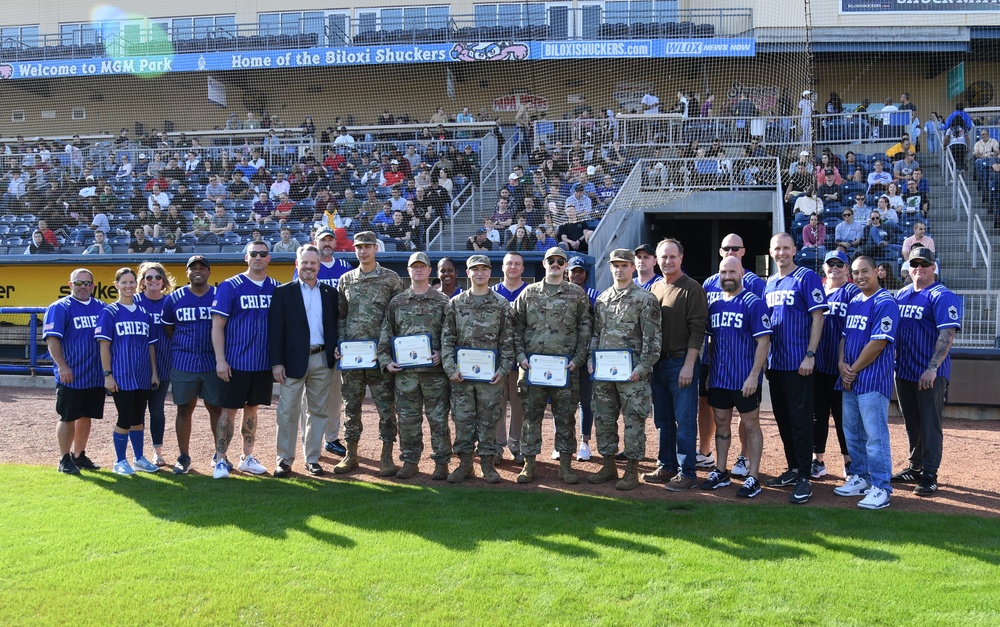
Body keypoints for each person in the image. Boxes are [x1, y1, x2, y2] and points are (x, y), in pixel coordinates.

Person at [512, 246, 592, 484]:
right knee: (531, 417)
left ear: (566, 266)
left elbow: (585, 330)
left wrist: (577, 360)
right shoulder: (528, 293)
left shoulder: (577, 295)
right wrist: (520, 357)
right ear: (544, 264)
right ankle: (529, 464)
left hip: (565, 372)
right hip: (532, 369)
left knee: (565, 417)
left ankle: (565, 466)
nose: (555, 264)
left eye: (560, 261)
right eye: (551, 261)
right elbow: (516, 329)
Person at [587, 249, 662, 490]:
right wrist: (591, 358)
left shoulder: (645, 299)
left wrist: (642, 367)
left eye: (624, 265)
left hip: (632, 375)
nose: (619, 269)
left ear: (633, 268)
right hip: (605, 373)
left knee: (634, 421)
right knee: (604, 419)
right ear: (610, 268)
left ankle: (631, 470)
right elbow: (597, 333)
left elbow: (653, 339)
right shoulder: (603, 299)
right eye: (615, 265)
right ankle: (608, 465)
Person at [763, 233, 828, 504]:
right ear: (771, 251)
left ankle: (804, 476)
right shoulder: (769, 283)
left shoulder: (806, 277)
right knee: (783, 419)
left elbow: (817, 317)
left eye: (786, 248)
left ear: (795, 249)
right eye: (777, 248)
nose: (781, 253)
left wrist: (810, 355)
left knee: (801, 422)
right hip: (775, 364)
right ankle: (792, 468)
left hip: (798, 363)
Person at [377, 252, 452, 480]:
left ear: (430, 270)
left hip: (434, 374)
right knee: (408, 420)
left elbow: (451, 336)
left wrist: (442, 354)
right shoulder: (397, 302)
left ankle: (441, 462)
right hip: (406, 375)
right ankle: (410, 461)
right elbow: (385, 337)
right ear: (408, 271)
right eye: (414, 266)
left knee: (438, 419)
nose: (418, 270)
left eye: (422, 266)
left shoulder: (442, 301)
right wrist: (386, 362)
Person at [892, 247, 961, 497]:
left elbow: (948, 334)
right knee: (912, 422)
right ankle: (915, 466)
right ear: (908, 268)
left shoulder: (941, 295)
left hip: (930, 373)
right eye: (914, 264)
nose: (919, 269)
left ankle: (930, 474)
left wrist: (932, 368)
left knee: (930, 424)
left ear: (933, 268)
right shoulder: (902, 294)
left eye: (924, 264)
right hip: (905, 372)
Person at [832, 256, 899, 509]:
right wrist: (841, 364)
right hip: (850, 380)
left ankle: (881, 487)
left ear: (877, 273)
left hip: (871, 381)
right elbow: (844, 338)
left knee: (875, 436)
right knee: (853, 434)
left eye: (865, 271)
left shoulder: (885, 302)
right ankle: (860, 477)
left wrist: (852, 370)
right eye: (857, 272)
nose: (860, 277)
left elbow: (879, 342)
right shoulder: (854, 301)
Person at [701, 256, 772, 497]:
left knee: (751, 425)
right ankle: (720, 471)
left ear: (741, 272)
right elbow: (711, 341)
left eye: (732, 271)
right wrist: (710, 372)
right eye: (723, 272)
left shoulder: (754, 302)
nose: (727, 276)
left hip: (744, 379)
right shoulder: (715, 304)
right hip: (720, 377)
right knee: (721, 422)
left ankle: (753, 476)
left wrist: (754, 375)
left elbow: (764, 341)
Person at [441, 255, 516, 483]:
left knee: (489, 421)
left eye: (484, 269)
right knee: (463, 420)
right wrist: (450, 369)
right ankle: (465, 465)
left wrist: (502, 371)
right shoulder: (456, 303)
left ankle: (488, 466)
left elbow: (507, 341)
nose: (480, 273)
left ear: (490, 272)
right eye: (475, 269)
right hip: (462, 377)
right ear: (468, 273)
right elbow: (447, 340)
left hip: (490, 378)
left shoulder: (501, 304)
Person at [334, 231, 403, 475]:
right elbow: (341, 316)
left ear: (376, 248)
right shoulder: (346, 280)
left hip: (380, 357)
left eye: (368, 246)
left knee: (386, 407)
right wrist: (340, 344)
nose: (363, 251)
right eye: (359, 247)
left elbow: (396, 319)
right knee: (351, 407)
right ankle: (351, 455)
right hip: (352, 357)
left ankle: (387, 456)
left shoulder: (391, 279)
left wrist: (387, 350)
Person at [210, 241, 280, 479]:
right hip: (236, 362)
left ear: (269, 258)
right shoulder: (231, 286)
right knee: (228, 411)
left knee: (252, 410)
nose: (258, 257)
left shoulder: (276, 288)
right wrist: (220, 359)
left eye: (263, 253)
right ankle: (220, 459)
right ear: (246, 258)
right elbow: (217, 325)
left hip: (261, 363)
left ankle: (246, 457)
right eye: (253, 253)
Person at [269, 245, 339, 478]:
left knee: (318, 411)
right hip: (291, 361)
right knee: (287, 411)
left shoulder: (330, 293)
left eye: (313, 263)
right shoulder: (283, 292)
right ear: (297, 264)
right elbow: (275, 331)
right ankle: (284, 460)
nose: (309, 267)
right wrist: (277, 363)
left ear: (319, 266)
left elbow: (334, 327)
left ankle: (312, 458)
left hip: (322, 359)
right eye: (305, 263)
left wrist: (336, 347)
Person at [643, 239, 708, 491]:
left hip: (681, 362)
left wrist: (689, 365)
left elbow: (697, 329)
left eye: (672, 256)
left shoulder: (692, 288)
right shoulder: (656, 288)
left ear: (681, 258)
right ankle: (667, 465)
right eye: (663, 257)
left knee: (685, 421)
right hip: (659, 364)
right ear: (657, 260)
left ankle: (687, 472)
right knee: (664, 420)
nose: (667, 261)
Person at [161, 256, 224, 474]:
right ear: (186, 272)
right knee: (184, 409)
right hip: (184, 361)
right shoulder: (174, 298)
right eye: (193, 268)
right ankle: (184, 456)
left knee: (216, 408)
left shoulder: (219, 295)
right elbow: (169, 329)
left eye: (202, 268)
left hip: (212, 361)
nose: (198, 271)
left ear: (209, 272)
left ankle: (220, 455)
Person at [96, 267, 160, 475]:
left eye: (132, 282)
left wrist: (153, 373)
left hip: (142, 375)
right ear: (116, 285)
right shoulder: (109, 312)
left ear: (137, 284)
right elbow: (104, 346)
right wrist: (108, 375)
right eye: (124, 282)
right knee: (124, 417)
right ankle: (119, 461)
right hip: (121, 375)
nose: (128, 286)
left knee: (138, 418)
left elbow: (150, 346)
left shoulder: (144, 313)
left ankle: (139, 458)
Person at [44, 269, 106, 474]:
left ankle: (79, 455)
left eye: (87, 283)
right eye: (78, 283)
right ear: (70, 285)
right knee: (68, 417)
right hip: (71, 374)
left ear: (93, 286)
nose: (83, 287)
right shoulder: (60, 307)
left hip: (94, 374)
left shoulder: (102, 307)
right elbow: (52, 339)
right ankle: (63, 458)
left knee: (86, 416)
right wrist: (62, 366)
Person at [303, 227, 355, 457]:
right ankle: (309, 438)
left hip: (337, 336)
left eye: (330, 240)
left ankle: (331, 437)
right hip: (314, 337)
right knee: (311, 395)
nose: (326, 244)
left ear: (335, 244)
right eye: (322, 240)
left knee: (335, 393)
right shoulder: (307, 266)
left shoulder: (345, 267)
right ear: (315, 242)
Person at [812, 250, 859, 480]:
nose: (835, 267)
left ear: (847, 269)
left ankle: (849, 462)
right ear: (824, 267)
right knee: (817, 415)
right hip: (818, 365)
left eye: (840, 264)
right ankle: (817, 460)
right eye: (830, 263)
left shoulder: (851, 291)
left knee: (844, 418)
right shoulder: (817, 291)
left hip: (842, 366)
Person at [133, 263, 175, 467]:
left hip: (164, 364)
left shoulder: (170, 302)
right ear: (142, 282)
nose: (154, 281)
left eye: (158, 277)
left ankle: (158, 452)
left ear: (164, 281)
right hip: (139, 366)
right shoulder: (134, 301)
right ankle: (137, 454)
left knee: (157, 410)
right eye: (149, 278)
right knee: (137, 411)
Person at [492, 252, 528, 466]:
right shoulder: (493, 293)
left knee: (519, 405)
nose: (513, 267)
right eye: (509, 264)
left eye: (517, 264)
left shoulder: (530, 292)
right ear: (502, 267)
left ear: (523, 268)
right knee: (496, 404)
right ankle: (497, 446)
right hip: (497, 360)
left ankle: (517, 446)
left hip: (521, 360)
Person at [566, 256, 600, 461]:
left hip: (587, 356)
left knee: (585, 402)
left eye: (580, 271)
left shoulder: (595, 295)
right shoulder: (561, 293)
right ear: (567, 273)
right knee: (563, 401)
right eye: (574, 271)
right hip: (565, 356)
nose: (577, 274)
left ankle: (584, 442)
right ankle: (562, 440)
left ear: (586, 274)